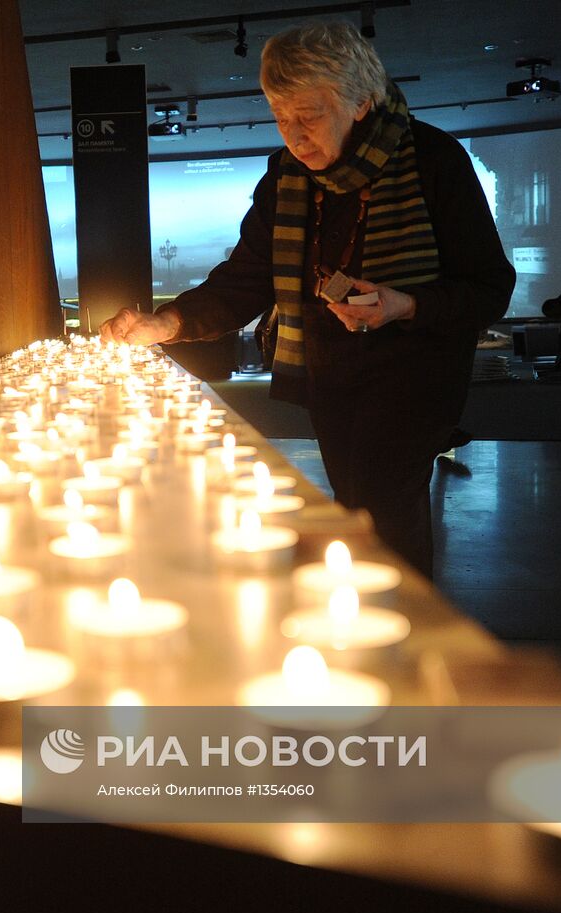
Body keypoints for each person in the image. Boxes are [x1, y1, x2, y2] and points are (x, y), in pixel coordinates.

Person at [100, 20, 513, 579]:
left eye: (310, 116)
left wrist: (403, 304)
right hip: (331, 379)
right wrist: (165, 323)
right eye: (280, 117)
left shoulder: (433, 160)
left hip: (414, 378)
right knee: (356, 510)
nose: (294, 137)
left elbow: (489, 287)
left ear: (362, 101)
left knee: (384, 516)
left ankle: (408, 636)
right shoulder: (286, 176)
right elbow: (247, 278)